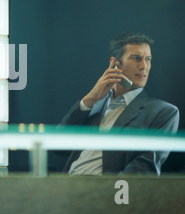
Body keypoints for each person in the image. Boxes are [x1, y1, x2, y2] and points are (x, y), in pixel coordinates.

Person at [59, 33, 179, 175]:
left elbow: (143, 168)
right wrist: (89, 100)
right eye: (136, 58)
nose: (144, 66)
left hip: (105, 191)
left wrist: (109, 192)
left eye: (148, 59)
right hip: (65, 186)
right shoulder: (96, 105)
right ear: (115, 63)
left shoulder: (163, 112)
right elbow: (60, 148)